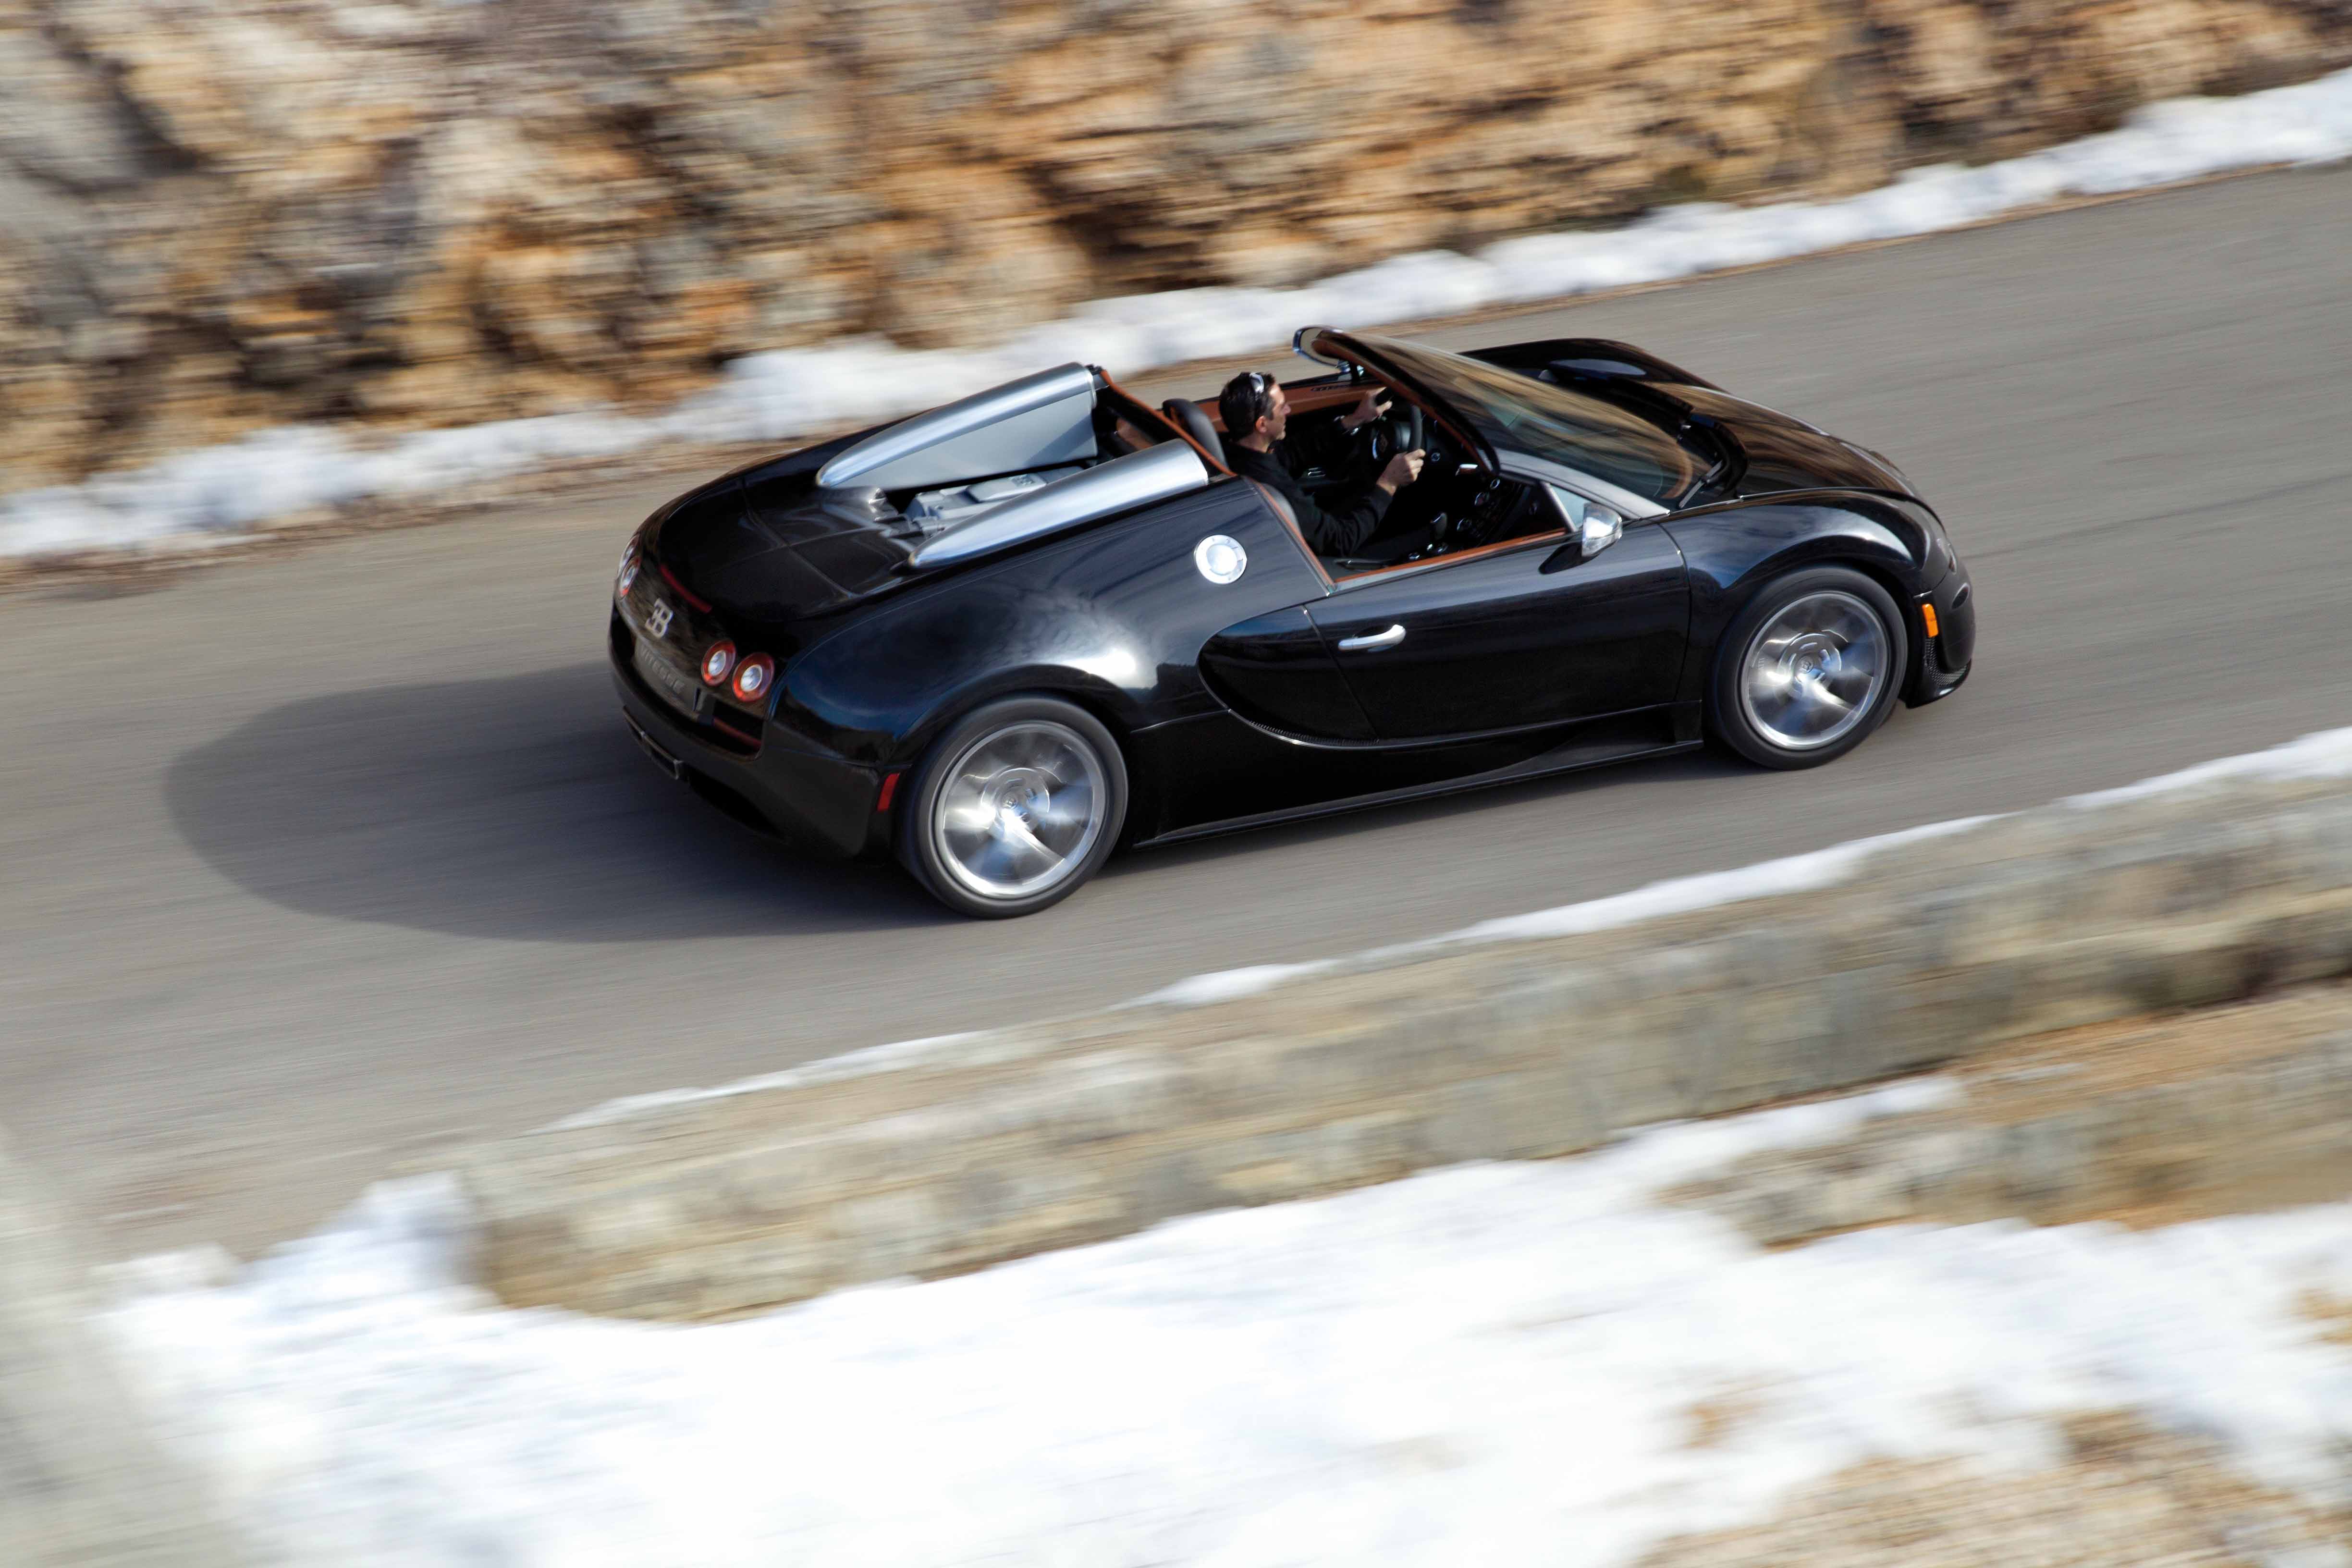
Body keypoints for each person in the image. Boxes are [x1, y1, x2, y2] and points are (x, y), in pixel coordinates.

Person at [1216, 370, 1425, 559]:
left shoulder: (1238, 452)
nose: (1289, 410)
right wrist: (1389, 483)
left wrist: (1354, 420)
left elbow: (1291, 453)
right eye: (1282, 407)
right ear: (1262, 424)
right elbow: (1341, 541)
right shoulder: (1272, 487)